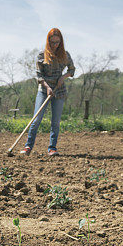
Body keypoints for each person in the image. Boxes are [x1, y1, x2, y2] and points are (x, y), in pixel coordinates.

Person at [21, 28, 75, 156]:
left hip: (59, 90)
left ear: (60, 42)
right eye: (52, 42)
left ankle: (52, 148)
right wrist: (47, 87)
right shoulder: (41, 56)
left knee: (55, 122)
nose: (54, 45)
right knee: (36, 119)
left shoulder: (65, 55)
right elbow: (39, 76)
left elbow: (72, 70)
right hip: (44, 90)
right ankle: (28, 146)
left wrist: (64, 77)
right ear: (48, 42)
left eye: (57, 42)